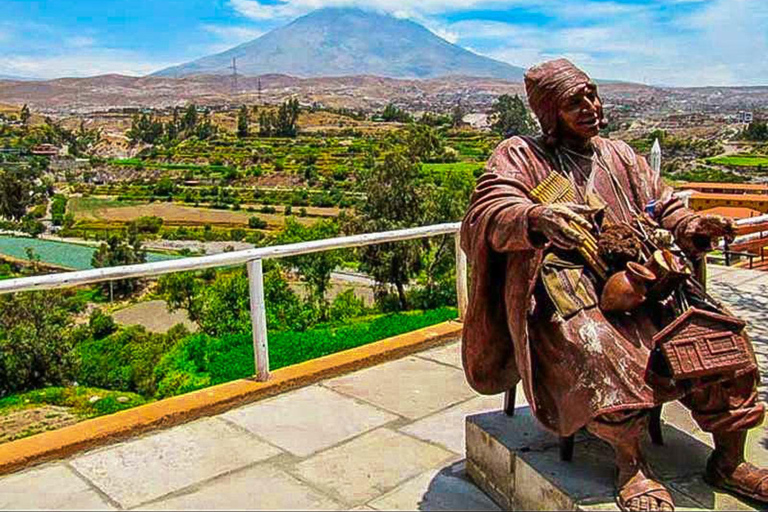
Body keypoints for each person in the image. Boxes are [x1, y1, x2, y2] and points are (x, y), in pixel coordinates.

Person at [461, 58, 767, 512]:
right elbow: (487, 210)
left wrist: (692, 224)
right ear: (549, 111)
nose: (590, 107)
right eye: (573, 102)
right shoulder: (520, 155)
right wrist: (536, 217)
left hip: (645, 284)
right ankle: (631, 464)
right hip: (567, 292)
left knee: (720, 335)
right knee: (597, 348)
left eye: (592, 94)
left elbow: (661, 206)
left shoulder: (620, 155)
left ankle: (728, 460)